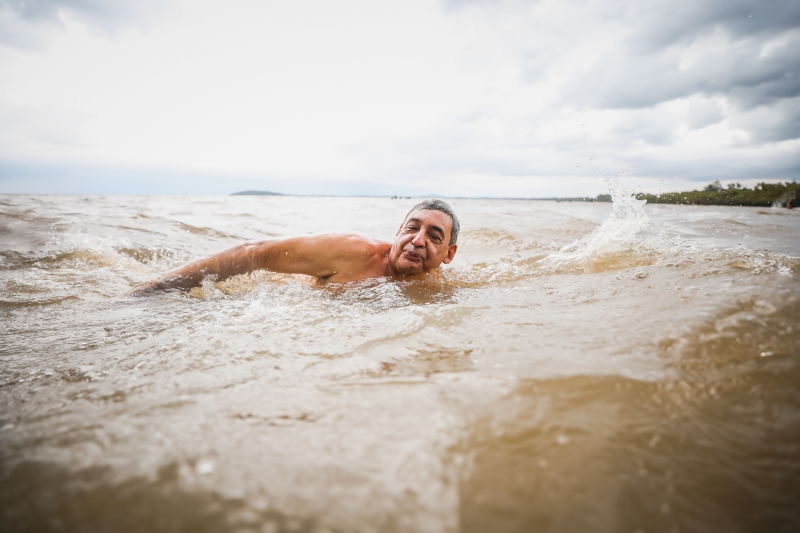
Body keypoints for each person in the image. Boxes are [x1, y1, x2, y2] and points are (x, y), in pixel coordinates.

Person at [127, 199, 459, 295]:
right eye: (413, 228)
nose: (417, 240)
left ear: (449, 254)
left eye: (433, 236)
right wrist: (157, 288)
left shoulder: (441, 289)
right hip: (270, 292)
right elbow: (254, 252)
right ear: (399, 230)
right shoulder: (352, 251)